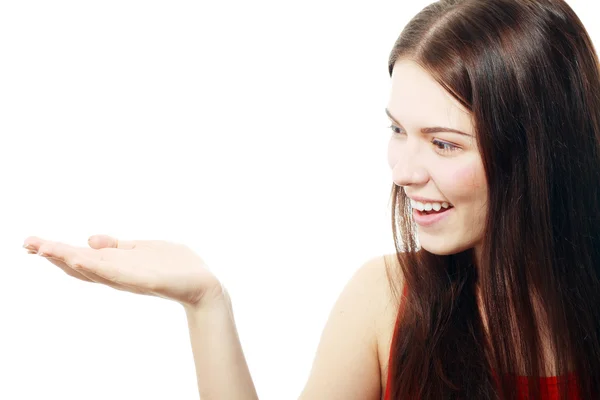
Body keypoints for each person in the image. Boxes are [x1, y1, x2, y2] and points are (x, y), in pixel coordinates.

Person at [22, 0, 600, 398]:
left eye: (443, 144)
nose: (402, 171)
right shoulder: (387, 300)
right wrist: (205, 303)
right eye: (397, 130)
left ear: (541, 151)